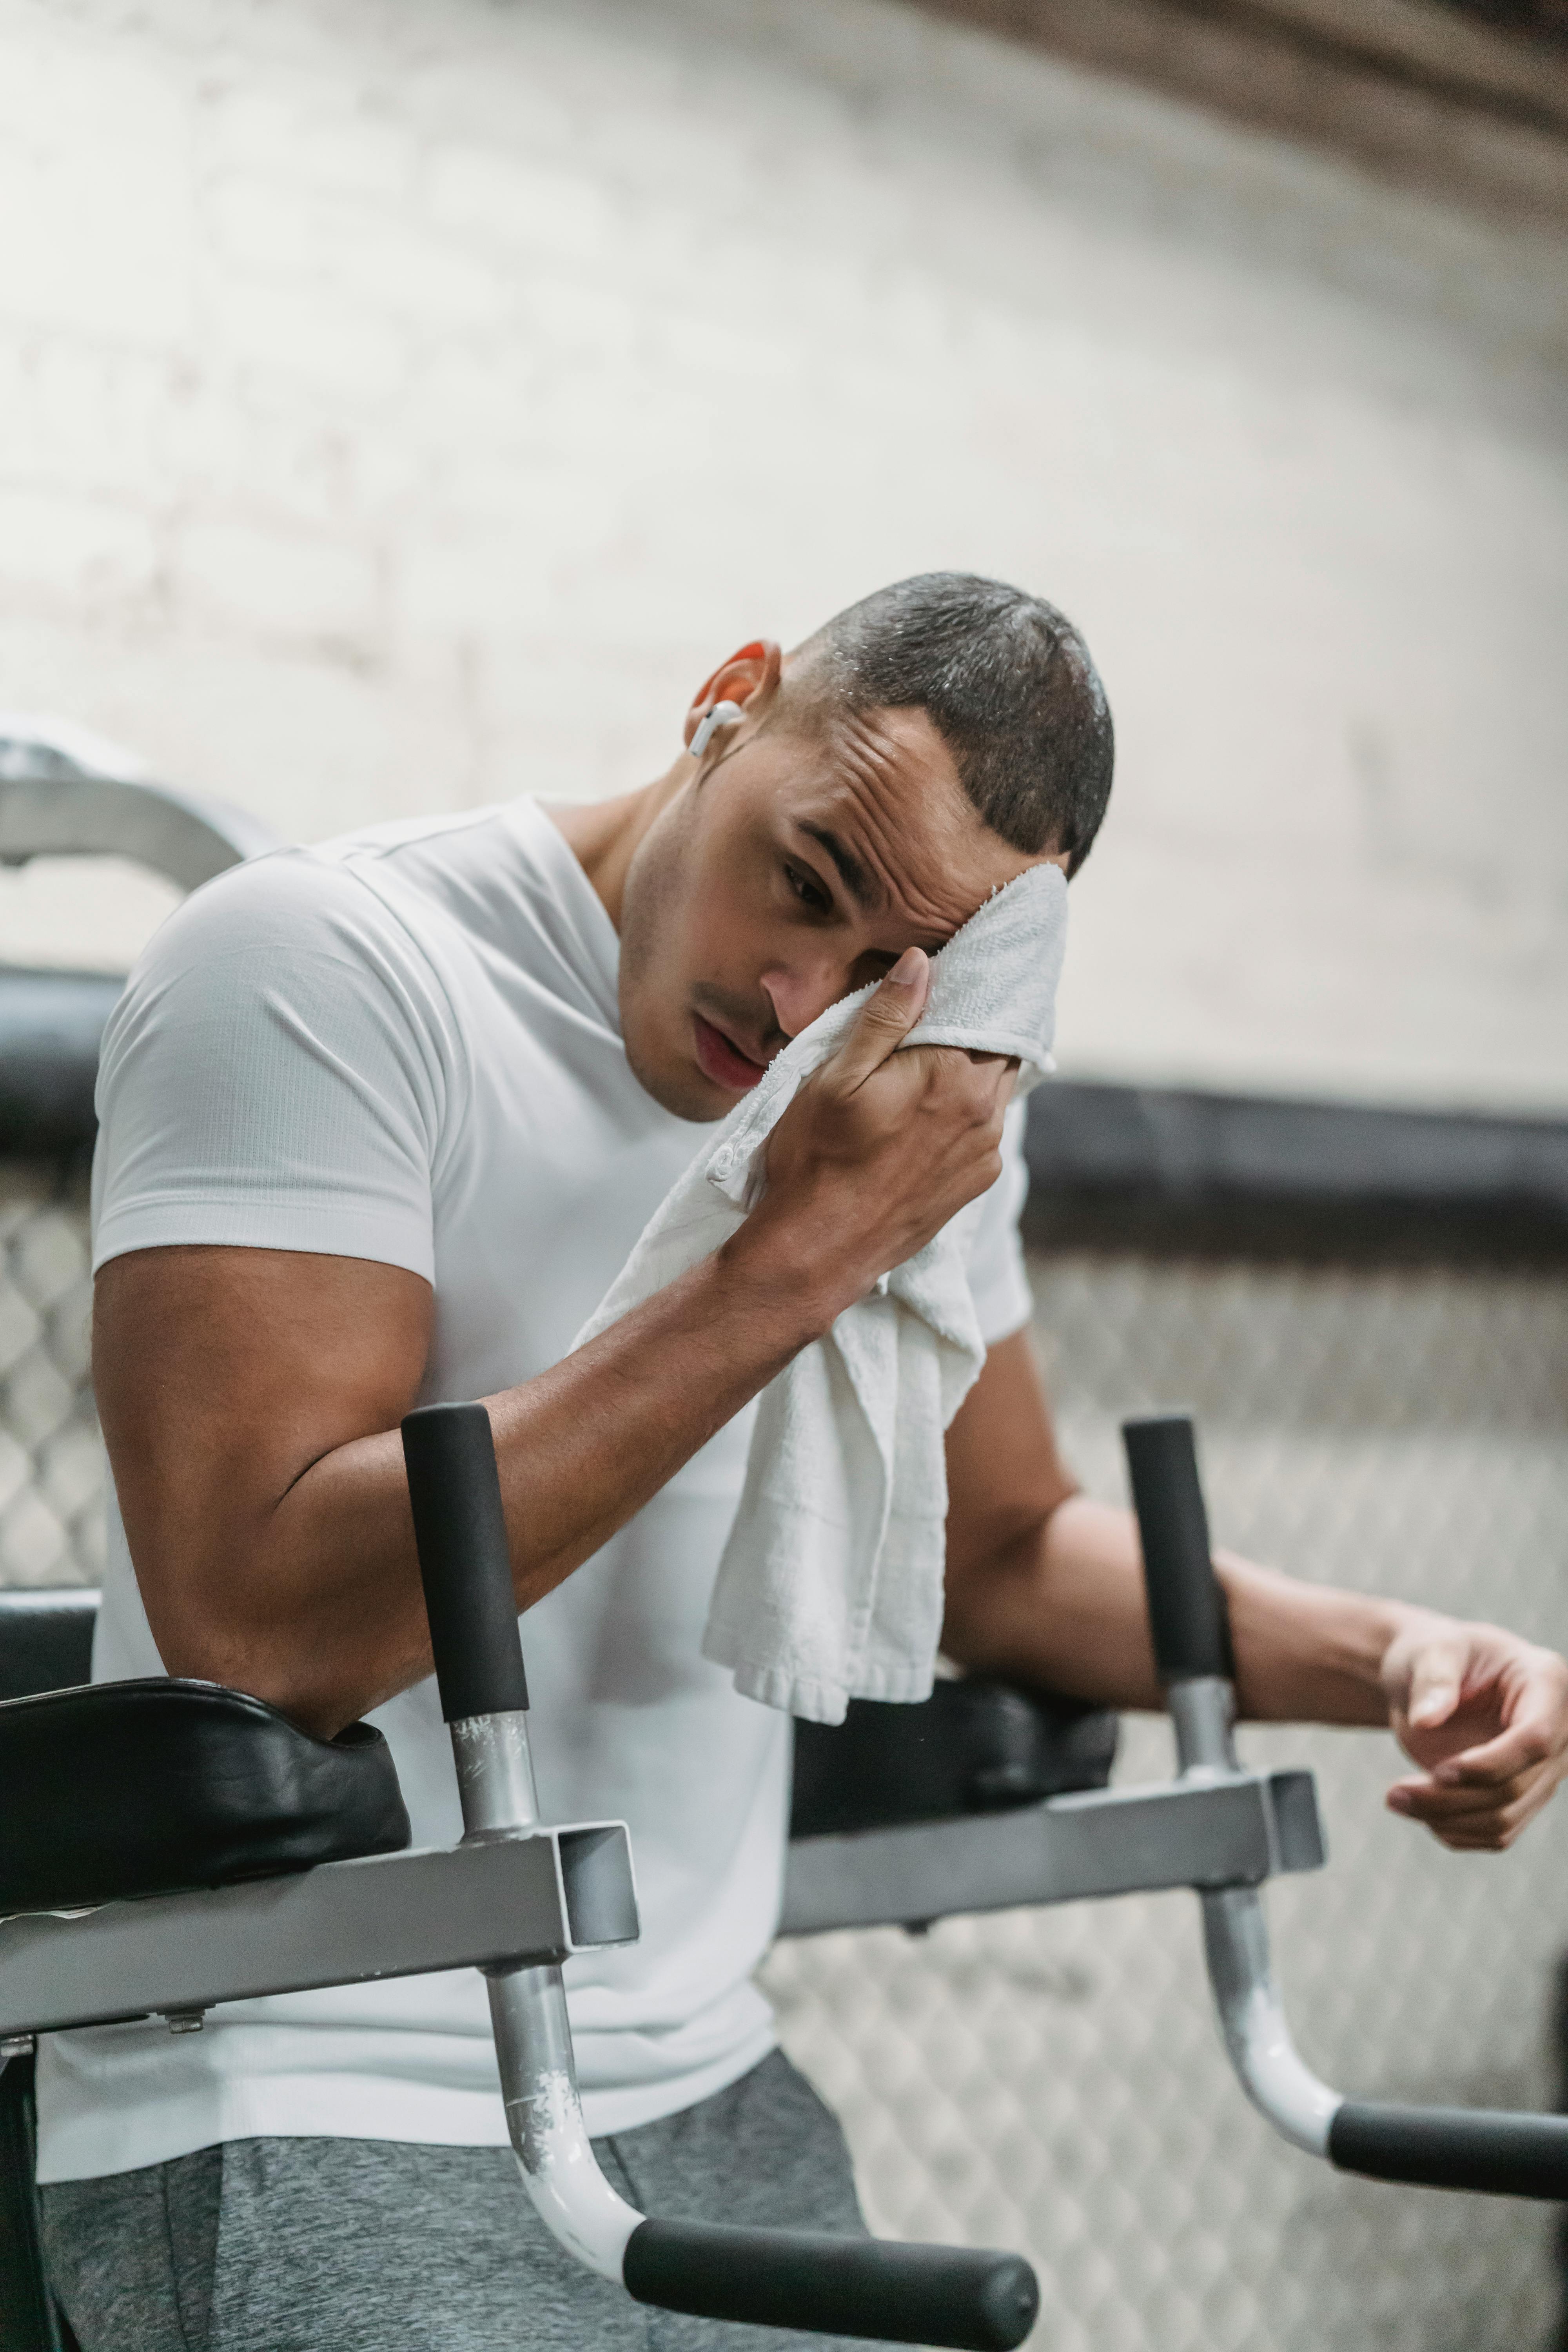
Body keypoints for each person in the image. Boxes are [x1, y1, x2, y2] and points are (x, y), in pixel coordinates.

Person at [37, 574, 1568, 2351]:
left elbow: (1001, 1555)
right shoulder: (323, 965)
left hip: (707, 2081)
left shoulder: (902, 1094)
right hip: (309, 2080)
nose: (796, 999)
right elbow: (261, 1629)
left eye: (886, 968)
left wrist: (1395, 1661)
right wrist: (788, 1265)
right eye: (807, 878)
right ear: (728, 701)